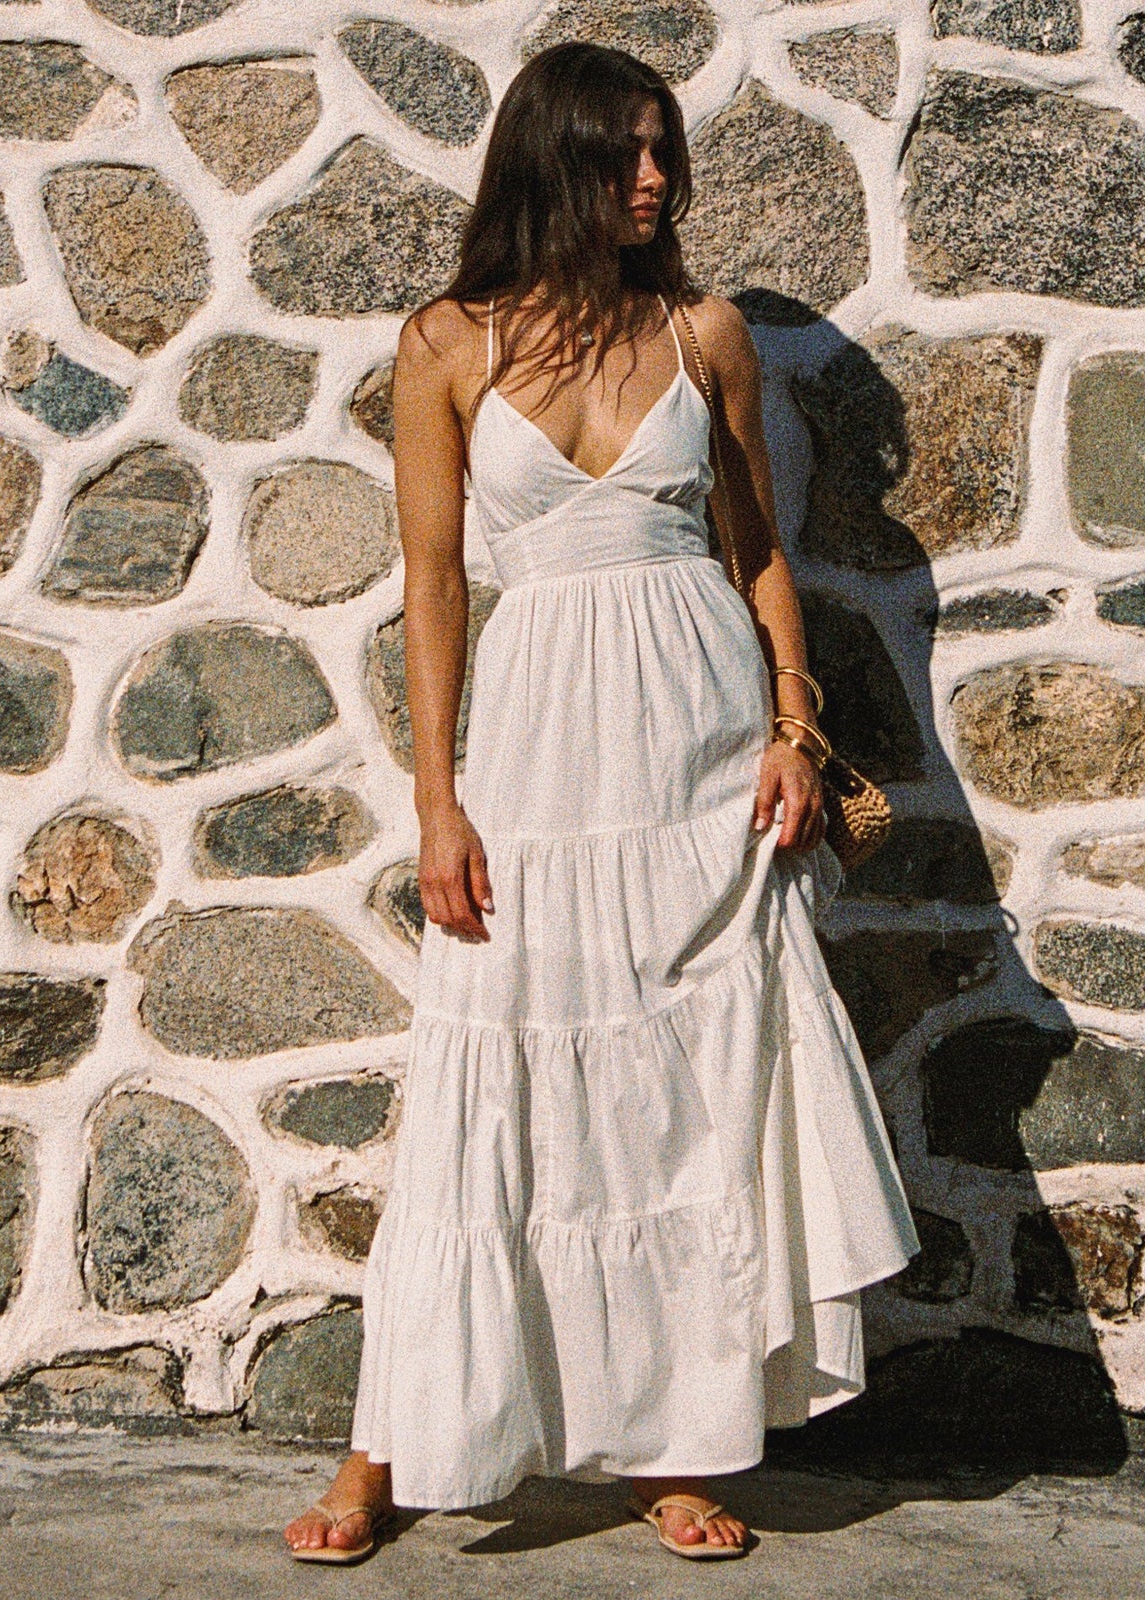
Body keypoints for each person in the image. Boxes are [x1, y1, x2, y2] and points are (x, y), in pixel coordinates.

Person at [285, 40, 918, 1565]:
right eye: (624, 152)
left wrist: (796, 725)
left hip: (701, 759)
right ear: (550, 159)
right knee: (487, 1086)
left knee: (687, 1105)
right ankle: (387, 1448)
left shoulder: (703, 333)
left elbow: (757, 551)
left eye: (661, 150)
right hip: (538, 757)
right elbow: (433, 587)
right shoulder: (445, 344)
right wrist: (437, 807)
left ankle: (668, 1444)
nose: (654, 178)